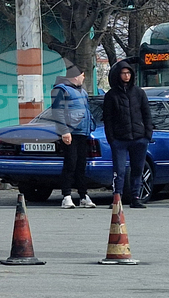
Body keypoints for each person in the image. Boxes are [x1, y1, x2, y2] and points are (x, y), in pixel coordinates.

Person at [103, 60, 152, 208]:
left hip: (139, 138)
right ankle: (117, 197)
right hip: (119, 139)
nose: (126, 75)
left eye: (129, 72)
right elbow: (108, 118)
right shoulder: (111, 95)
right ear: (118, 75)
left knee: (137, 169)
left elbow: (147, 114)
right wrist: (111, 138)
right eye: (124, 73)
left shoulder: (139, 93)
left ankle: (136, 198)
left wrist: (147, 135)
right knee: (119, 170)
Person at [52, 64, 96, 208]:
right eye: (83, 75)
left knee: (81, 165)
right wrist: (64, 131)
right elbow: (57, 112)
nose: (84, 78)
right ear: (76, 76)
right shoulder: (61, 90)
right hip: (70, 133)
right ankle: (66, 196)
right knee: (70, 164)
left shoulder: (82, 91)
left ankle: (83, 195)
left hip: (82, 133)